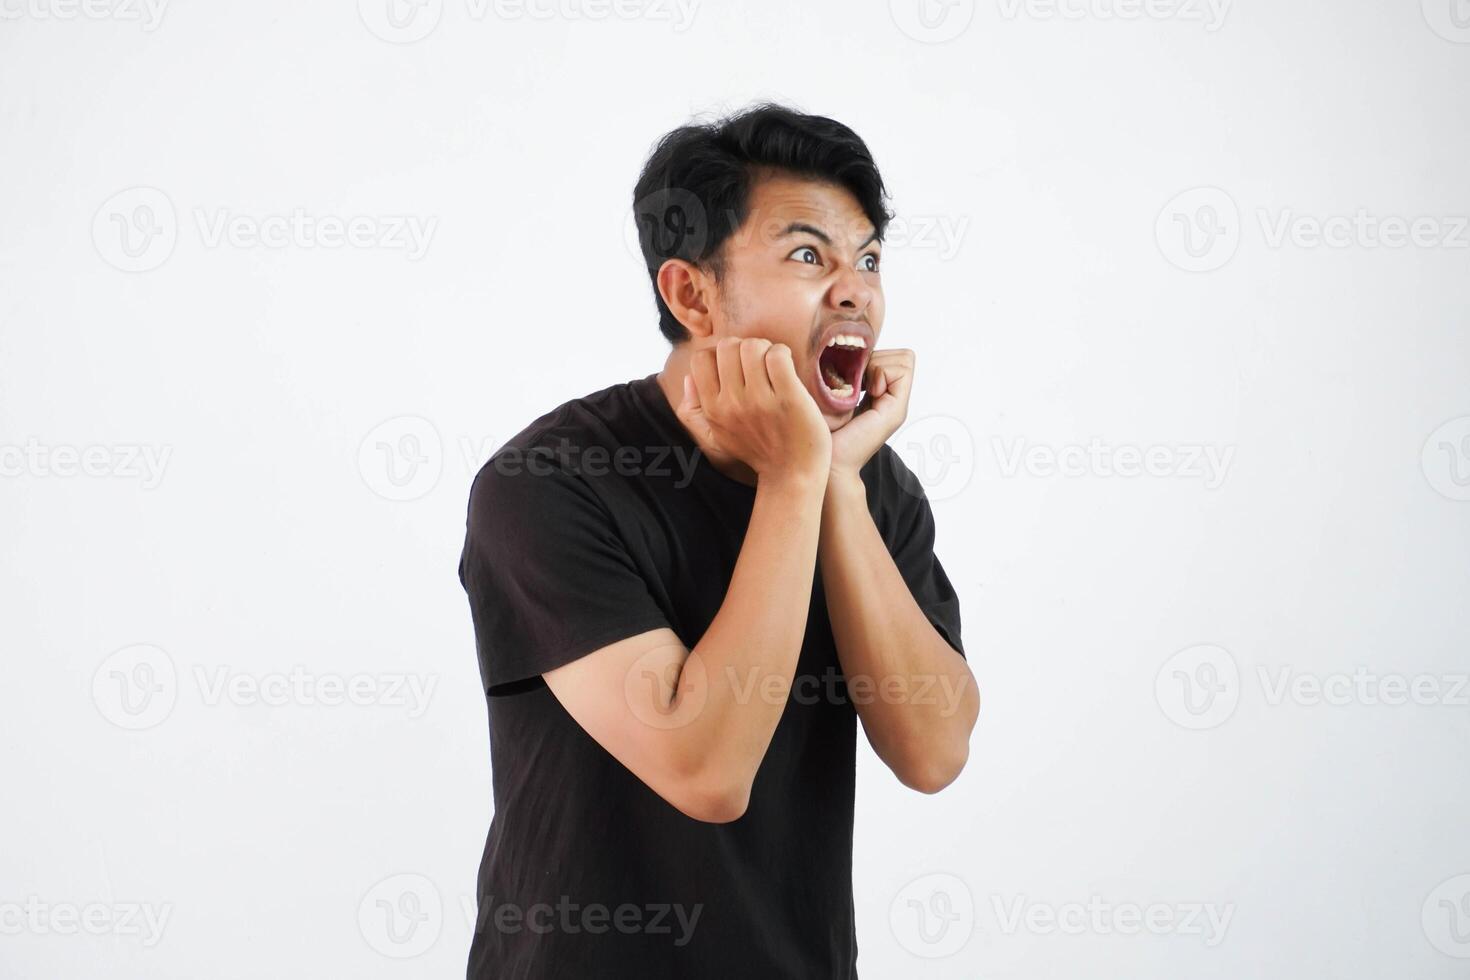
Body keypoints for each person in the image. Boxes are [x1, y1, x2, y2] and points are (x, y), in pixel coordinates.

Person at [457, 101, 979, 979]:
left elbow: (934, 750)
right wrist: (793, 481)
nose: (854, 290)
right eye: (808, 255)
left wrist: (835, 483)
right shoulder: (550, 481)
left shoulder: (868, 483)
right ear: (691, 293)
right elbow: (704, 770)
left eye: (870, 260)